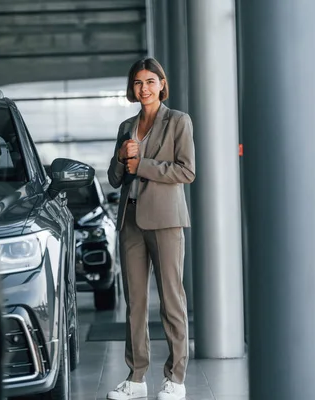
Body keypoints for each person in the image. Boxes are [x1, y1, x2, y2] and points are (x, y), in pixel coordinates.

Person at [106, 58, 195, 400]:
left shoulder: (178, 121)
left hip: (166, 221)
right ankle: (137, 377)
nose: (143, 88)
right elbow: (116, 179)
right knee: (135, 303)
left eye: (149, 82)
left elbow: (186, 171)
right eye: (137, 83)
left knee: (172, 300)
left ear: (161, 83)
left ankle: (175, 378)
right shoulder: (127, 126)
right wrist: (120, 158)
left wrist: (141, 163)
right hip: (130, 221)